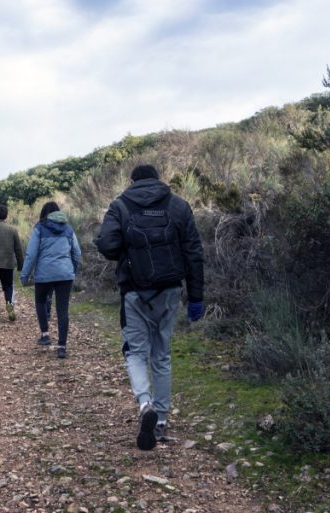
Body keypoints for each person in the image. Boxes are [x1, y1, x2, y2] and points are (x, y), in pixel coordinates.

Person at [94, 164, 204, 451]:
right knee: (162, 354)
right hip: (169, 290)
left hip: (135, 292)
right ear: (158, 179)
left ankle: (145, 404)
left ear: (132, 181)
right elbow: (194, 253)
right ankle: (162, 420)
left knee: (135, 353)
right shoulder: (179, 205)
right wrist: (196, 297)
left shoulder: (120, 205)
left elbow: (106, 245)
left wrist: (126, 251)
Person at [20, 201, 81, 359]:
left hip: (44, 275)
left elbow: (31, 254)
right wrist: (72, 270)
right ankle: (62, 346)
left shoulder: (39, 228)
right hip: (65, 275)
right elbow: (77, 253)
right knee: (63, 310)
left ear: (44, 214)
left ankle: (45, 335)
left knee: (40, 301)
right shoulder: (68, 229)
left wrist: (25, 275)